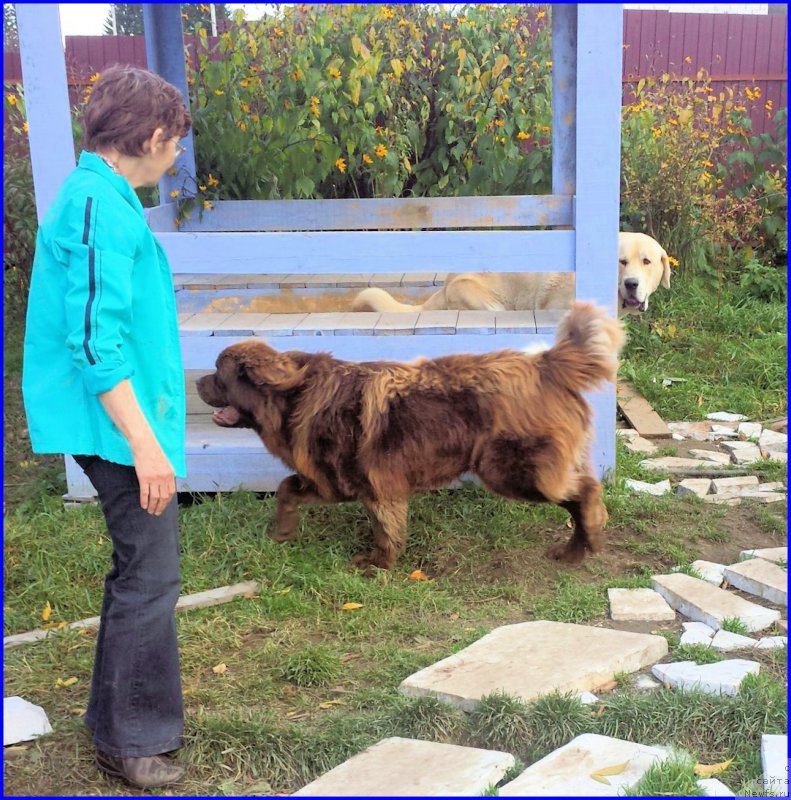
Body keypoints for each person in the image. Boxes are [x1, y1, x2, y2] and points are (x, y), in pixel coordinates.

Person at [22, 65, 192, 790]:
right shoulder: (99, 207)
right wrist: (145, 446)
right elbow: (95, 342)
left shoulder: (102, 198)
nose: (176, 155)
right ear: (151, 136)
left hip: (114, 422)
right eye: (175, 141)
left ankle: (117, 725)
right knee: (151, 577)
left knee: (139, 574)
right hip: (112, 428)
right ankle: (131, 742)